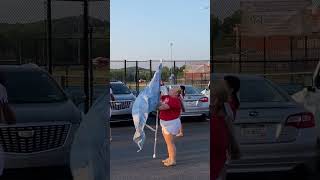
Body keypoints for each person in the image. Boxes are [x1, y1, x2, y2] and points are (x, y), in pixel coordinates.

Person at [211, 81, 240, 180]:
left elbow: (230, 126)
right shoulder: (225, 109)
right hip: (221, 149)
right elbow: (230, 127)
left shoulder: (224, 111)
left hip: (219, 148)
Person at [158, 87, 182, 167]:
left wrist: (154, 107)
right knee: (168, 143)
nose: (170, 90)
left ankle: (172, 160)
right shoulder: (168, 97)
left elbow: (163, 107)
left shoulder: (175, 100)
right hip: (165, 122)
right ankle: (170, 157)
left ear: (176, 93)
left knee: (170, 143)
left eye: (172, 90)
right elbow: (160, 97)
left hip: (171, 123)